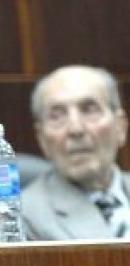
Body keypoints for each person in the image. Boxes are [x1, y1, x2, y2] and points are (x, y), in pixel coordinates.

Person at [22, 65, 129, 241]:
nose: (76, 129)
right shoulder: (26, 217)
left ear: (120, 126)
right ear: (42, 138)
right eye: (57, 116)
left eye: (89, 109)